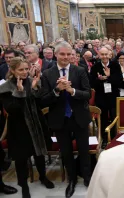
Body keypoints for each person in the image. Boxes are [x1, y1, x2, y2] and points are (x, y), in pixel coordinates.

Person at [41, 41, 91, 198]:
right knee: (66, 152)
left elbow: (87, 94)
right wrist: (57, 90)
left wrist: (72, 90)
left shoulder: (80, 71)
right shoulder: (48, 74)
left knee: (84, 150)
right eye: (62, 54)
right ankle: (72, 180)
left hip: (79, 117)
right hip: (60, 119)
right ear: (56, 55)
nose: (66, 57)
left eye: (69, 54)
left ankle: (88, 178)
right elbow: (43, 100)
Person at [0, 57, 54, 198]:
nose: (24, 72)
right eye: (20, 70)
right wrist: (19, 92)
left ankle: (43, 176)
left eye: (26, 69)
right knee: (21, 158)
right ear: (12, 70)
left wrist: (36, 87)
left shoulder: (31, 81)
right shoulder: (5, 87)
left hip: (36, 124)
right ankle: (23, 184)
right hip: (19, 127)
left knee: (39, 153)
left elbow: (40, 103)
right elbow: (12, 109)